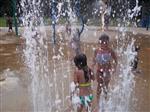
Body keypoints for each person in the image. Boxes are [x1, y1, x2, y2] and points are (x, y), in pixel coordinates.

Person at [92, 34, 117, 102]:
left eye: (106, 42)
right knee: (99, 86)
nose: (105, 44)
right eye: (103, 42)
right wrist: (91, 69)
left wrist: (114, 68)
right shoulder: (97, 50)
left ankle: (105, 100)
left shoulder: (110, 50)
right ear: (100, 42)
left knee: (105, 86)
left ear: (108, 42)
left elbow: (115, 60)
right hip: (99, 71)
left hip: (107, 71)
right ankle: (98, 100)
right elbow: (93, 61)